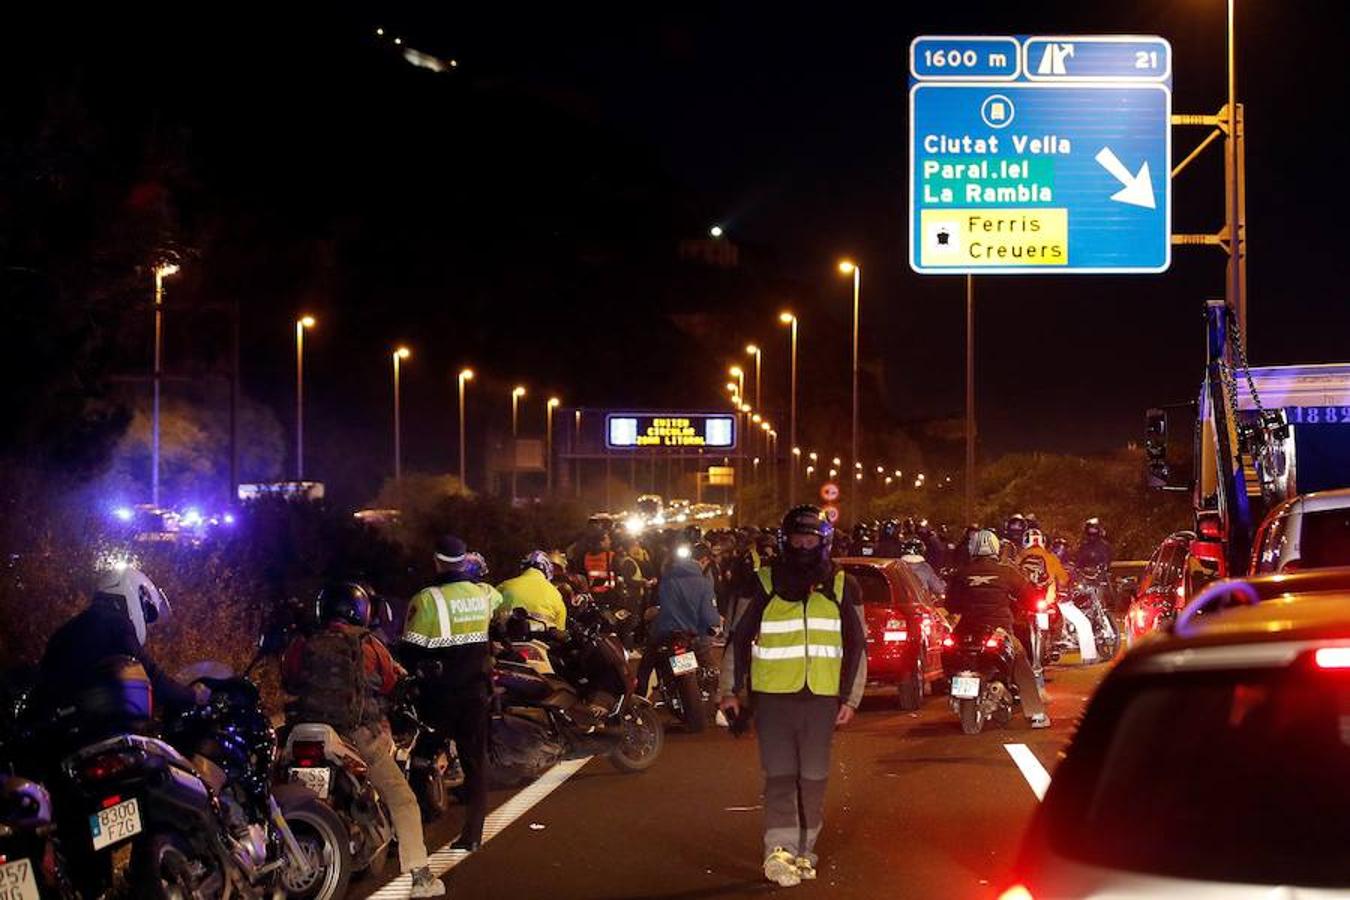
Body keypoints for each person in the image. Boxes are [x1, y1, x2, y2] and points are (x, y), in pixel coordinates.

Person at [719, 506, 867, 888]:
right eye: (798, 538)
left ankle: (804, 852)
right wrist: (729, 691)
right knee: (781, 776)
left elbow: (857, 646)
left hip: (822, 699)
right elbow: (737, 640)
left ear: (823, 541)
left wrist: (851, 698)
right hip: (773, 698)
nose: (803, 545)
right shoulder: (761, 582)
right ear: (786, 540)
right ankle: (779, 850)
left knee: (814, 778)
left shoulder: (843, 586)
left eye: (810, 538)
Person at [282, 583, 444, 897]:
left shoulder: (302, 642)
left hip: (303, 730)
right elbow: (389, 682)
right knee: (403, 798)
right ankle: (421, 877)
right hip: (355, 734)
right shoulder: (368, 643)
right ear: (361, 611)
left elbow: (288, 679)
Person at [399, 535, 506, 853]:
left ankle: (421, 821)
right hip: (476, 694)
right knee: (475, 763)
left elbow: (409, 651)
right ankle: (472, 834)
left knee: (422, 756)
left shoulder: (427, 599)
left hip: (438, 697)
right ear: (463, 561)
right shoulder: (483, 594)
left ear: (436, 561)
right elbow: (499, 599)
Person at [38, 565, 196, 716]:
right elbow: (150, 677)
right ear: (136, 593)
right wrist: (193, 695)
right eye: (146, 612)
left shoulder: (73, 626)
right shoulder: (117, 624)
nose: (145, 621)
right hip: (85, 724)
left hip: (57, 721)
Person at [945, 529, 1050, 729]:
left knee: (951, 651)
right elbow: (1030, 598)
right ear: (995, 548)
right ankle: (1036, 714)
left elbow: (950, 604)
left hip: (966, 632)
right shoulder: (1007, 572)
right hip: (998, 630)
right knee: (1021, 664)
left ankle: (955, 692)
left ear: (972, 549)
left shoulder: (961, 574)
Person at [635, 541, 720, 694]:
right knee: (708, 666)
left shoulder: (669, 577)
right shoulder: (704, 583)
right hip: (691, 635)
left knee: (646, 664)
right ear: (704, 560)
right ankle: (712, 695)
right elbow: (710, 617)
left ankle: (639, 697)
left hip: (665, 631)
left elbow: (660, 604)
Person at [498, 551, 567, 630]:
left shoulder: (504, 586)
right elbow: (560, 631)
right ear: (548, 571)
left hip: (506, 636)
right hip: (541, 637)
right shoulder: (556, 595)